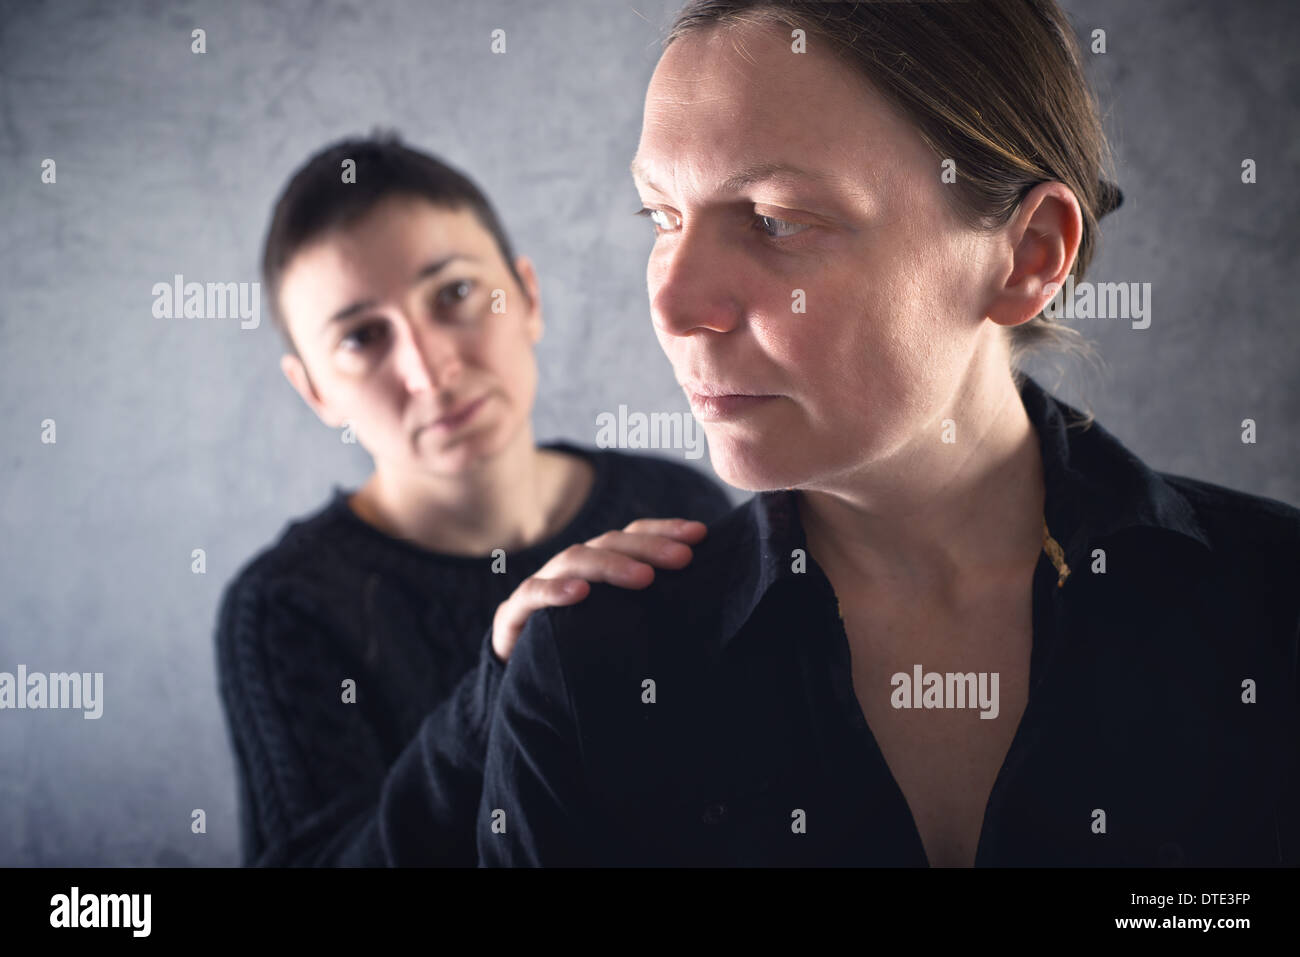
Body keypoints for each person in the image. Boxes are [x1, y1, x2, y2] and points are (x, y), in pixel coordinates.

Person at [478, 0, 1300, 867]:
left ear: (1027, 256)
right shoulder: (590, 674)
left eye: (775, 219)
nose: (674, 306)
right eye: (661, 217)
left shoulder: (1276, 612)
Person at [214, 133, 734, 866]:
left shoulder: (675, 501)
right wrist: (502, 690)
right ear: (315, 391)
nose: (431, 370)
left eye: (455, 293)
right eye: (363, 337)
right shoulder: (282, 609)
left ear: (526, 297)